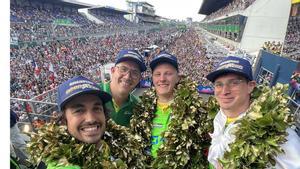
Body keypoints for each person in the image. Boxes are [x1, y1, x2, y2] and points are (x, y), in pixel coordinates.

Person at [27, 75, 146, 169]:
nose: (90, 119)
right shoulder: (61, 164)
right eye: (79, 110)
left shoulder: (112, 142)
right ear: (63, 120)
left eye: (96, 108)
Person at [206, 56, 300, 169]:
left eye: (234, 83)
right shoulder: (219, 117)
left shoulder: (277, 132)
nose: (225, 91)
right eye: (219, 84)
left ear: (250, 86)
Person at [130, 51, 211, 168]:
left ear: (178, 77)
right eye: (157, 74)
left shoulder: (195, 110)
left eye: (168, 73)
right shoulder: (141, 108)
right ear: (152, 78)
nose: (162, 79)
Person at [100, 49, 147, 127]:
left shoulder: (138, 107)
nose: (128, 76)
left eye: (135, 73)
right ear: (113, 70)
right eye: (123, 69)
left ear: (139, 78)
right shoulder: (94, 93)